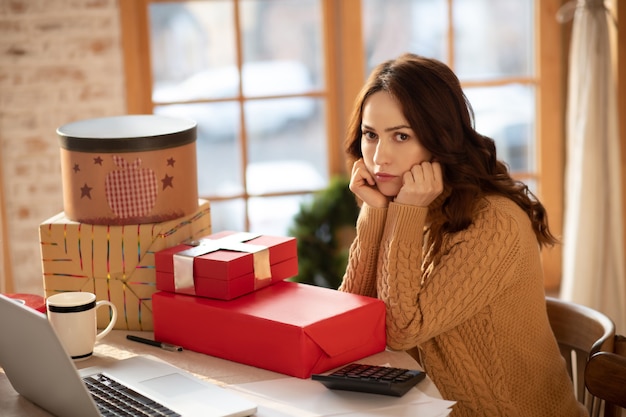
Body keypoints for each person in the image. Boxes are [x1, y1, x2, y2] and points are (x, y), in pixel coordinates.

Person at [338, 53, 586, 416]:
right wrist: (375, 215)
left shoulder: (493, 222)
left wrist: (403, 213)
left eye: (402, 136)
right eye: (370, 135)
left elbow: (400, 330)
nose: (379, 159)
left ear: (440, 138)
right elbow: (353, 323)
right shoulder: (410, 203)